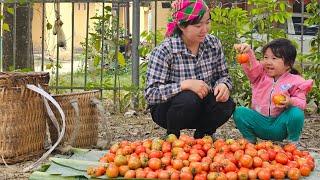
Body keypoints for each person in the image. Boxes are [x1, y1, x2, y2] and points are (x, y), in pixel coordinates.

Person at [144, 0, 235, 139]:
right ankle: (172, 136)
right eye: (198, 25)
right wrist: (183, 85)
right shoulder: (165, 50)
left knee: (226, 104)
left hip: (200, 107)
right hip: (170, 110)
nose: (205, 29)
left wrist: (223, 85)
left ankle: (204, 136)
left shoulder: (213, 44)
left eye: (207, 23)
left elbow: (223, 75)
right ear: (181, 25)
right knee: (189, 98)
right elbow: (151, 94)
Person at [233, 38, 313, 144]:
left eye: (274, 58)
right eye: (266, 57)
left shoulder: (295, 81)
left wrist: (290, 101)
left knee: (296, 113)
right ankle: (250, 139)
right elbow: (252, 67)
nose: (268, 62)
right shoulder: (259, 75)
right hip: (259, 122)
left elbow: (302, 103)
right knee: (239, 112)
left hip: (279, 125)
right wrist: (247, 52)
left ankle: (292, 142)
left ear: (288, 64)